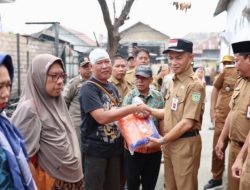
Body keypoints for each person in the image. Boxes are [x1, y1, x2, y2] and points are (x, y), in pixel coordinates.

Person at [79, 48, 151, 190]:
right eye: (100, 63)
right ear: (91, 67)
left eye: (107, 62)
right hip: (95, 152)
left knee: (114, 186)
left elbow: (119, 117)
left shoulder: (112, 87)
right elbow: (101, 118)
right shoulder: (88, 89)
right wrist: (134, 108)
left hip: (114, 150)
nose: (105, 66)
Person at [11, 54, 83, 189]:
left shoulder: (57, 100)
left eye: (62, 75)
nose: (60, 81)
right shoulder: (30, 109)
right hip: (51, 182)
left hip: (72, 178)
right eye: (54, 76)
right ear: (39, 76)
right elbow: (23, 158)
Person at [148, 38, 206, 190]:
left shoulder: (195, 85)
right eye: (171, 58)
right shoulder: (173, 81)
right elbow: (169, 112)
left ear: (191, 58)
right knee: (170, 186)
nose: (173, 62)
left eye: (178, 58)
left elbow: (188, 122)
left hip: (185, 144)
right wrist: (149, 111)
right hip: (170, 143)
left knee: (185, 186)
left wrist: (162, 140)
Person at [123, 65, 164, 190]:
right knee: (132, 184)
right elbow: (124, 121)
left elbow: (162, 118)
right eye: (138, 78)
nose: (140, 81)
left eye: (144, 78)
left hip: (154, 150)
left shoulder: (158, 96)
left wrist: (163, 139)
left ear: (151, 80)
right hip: (134, 150)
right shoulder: (130, 97)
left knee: (149, 184)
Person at [215, 41, 250, 190]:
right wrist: (222, 139)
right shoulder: (241, 81)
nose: (235, 66)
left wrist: (242, 157)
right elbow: (232, 111)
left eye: (237, 61)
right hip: (235, 146)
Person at [0, 54, 37, 190]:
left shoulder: (6, 125)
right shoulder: (28, 109)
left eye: (8, 85)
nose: (6, 94)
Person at [204, 55, 237, 189]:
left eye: (229, 62)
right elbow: (216, 88)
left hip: (240, 121)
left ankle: (235, 179)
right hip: (222, 118)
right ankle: (217, 177)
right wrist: (212, 110)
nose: (226, 64)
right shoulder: (227, 71)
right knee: (217, 148)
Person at [63, 57, 92, 143]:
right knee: (77, 148)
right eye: (84, 67)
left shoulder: (96, 82)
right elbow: (65, 102)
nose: (88, 69)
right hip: (77, 123)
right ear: (79, 69)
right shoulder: (74, 83)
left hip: (91, 122)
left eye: (89, 66)